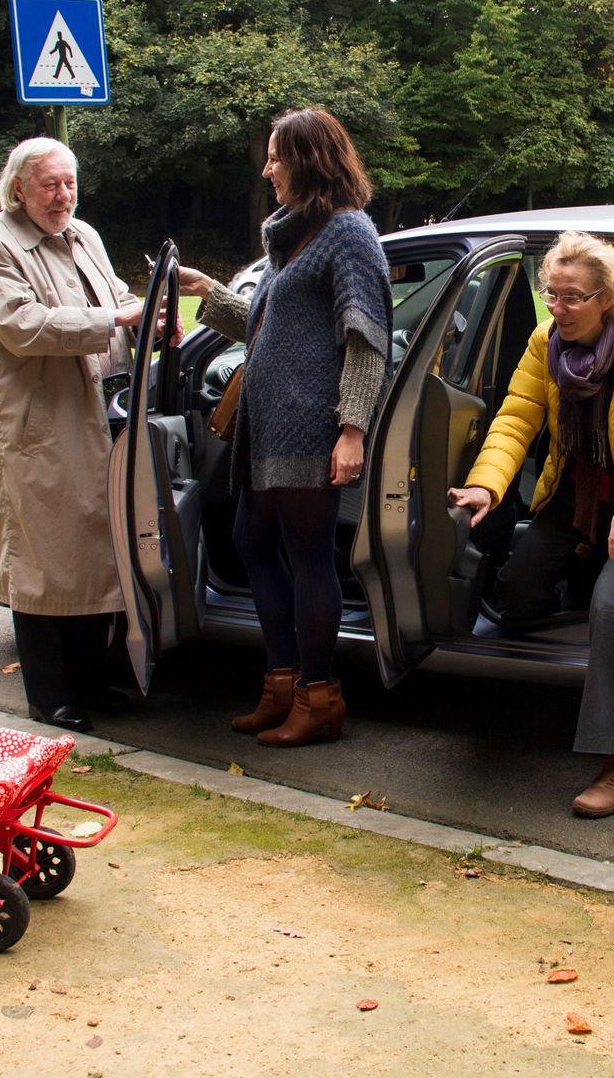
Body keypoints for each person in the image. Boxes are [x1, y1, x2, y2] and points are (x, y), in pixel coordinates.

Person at [447, 231, 614, 817]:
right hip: (570, 500)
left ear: (606, 300)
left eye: (571, 298)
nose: (556, 309)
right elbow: (514, 420)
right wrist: (487, 483)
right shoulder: (545, 344)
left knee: (611, 609)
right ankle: (577, 590)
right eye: (550, 296)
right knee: (513, 598)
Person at [174, 108, 392, 747]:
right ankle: (280, 683)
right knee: (250, 540)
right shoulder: (293, 238)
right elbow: (271, 329)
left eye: (276, 156)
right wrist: (210, 293)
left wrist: (351, 430)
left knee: (306, 555)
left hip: (311, 429)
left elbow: (366, 340)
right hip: (265, 429)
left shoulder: (350, 233)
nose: (267, 168)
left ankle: (318, 696)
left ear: (308, 159)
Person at [0, 138, 144, 734]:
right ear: (18, 188)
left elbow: (116, 297)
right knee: (41, 562)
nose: (62, 195)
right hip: (32, 428)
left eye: (69, 183)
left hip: (89, 418)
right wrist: (113, 321)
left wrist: (151, 318)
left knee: (93, 555)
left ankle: (92, 681)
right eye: (49, 185)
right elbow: (23, 325)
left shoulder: (84, 236)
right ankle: (49, 695)